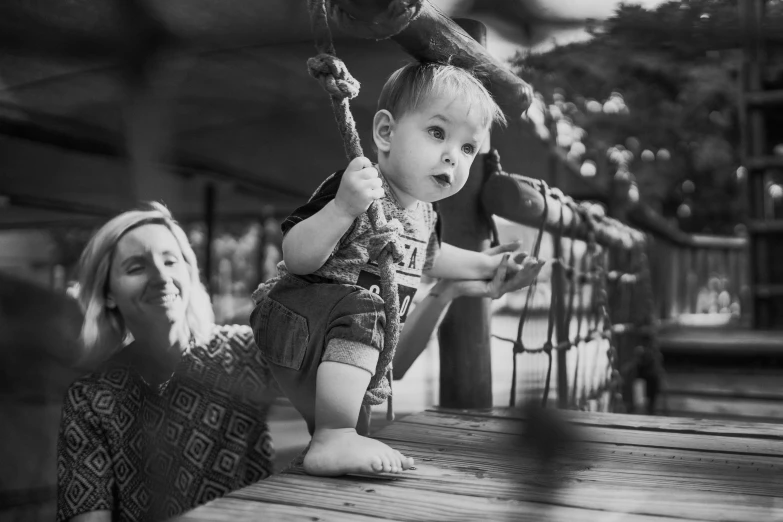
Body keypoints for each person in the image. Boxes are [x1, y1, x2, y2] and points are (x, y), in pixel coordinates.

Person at [250, 62, 545, 478]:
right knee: (366, 312)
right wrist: (342, 209)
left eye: (467, 149)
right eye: (438, 132)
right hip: (295, 321)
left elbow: (432, 259)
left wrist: (491, 265)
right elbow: (297, 257)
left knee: (354, 427)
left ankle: (331, 443)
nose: (451, 156)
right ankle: (334, 435)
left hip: (336, 349)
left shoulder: (424, 214)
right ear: (386, 133)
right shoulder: (359, 188)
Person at [56, 203, 276, 522]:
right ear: (108, 294)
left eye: (170, 261)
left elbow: (336, 387)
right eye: (136, 267)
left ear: (188, 272)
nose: (161, 277)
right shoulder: (89, 399)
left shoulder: (249, 351)